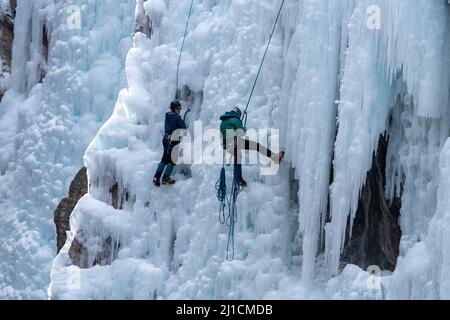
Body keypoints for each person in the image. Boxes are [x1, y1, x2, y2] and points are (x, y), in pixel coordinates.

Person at [220, 106, 285, 187]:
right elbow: (242, 132)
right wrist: (243, 127)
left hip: (226, 144)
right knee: (255, 146)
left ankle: (239, 179)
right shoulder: (235, 120)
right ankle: (274, 157)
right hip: (234, 142)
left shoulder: (224, 122)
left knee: (238, 157)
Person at [153, 100, 187, 187]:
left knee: (164, 158)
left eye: (180, 108)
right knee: (173, 160)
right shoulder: (177, 117)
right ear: (174, 109)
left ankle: (157, 177)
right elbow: (184, 128)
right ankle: (165, 178)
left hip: (166, 139)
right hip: (173, 140)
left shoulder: (167, 116)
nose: (179, 110)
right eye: (178, 108)